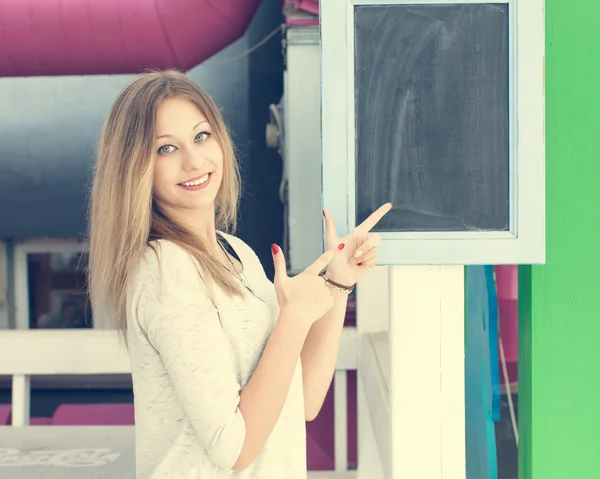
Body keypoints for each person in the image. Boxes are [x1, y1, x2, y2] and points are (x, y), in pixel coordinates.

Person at [88, 69, 391, 478]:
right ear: (134, 167)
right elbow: (234, 449)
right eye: (165, 149)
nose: (194, 160)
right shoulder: (165, 269)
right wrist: (295, 318)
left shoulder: (237, 253)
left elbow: (300, 400)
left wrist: (338, 284)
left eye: (201, 136)